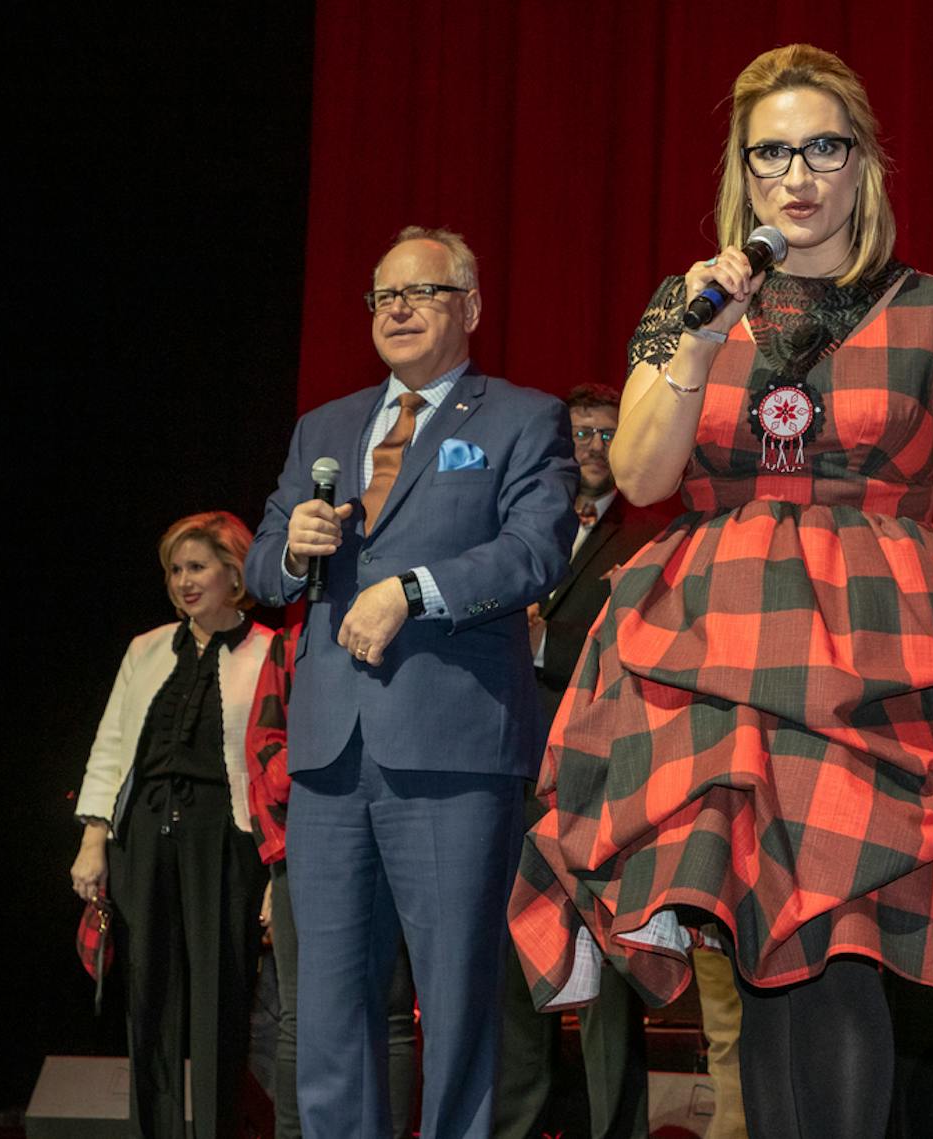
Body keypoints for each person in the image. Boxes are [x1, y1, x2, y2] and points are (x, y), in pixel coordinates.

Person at [510, 44, 933, 1138]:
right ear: (741, 172)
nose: (798, 173)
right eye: (770, 151)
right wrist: (691, 336)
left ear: (863, 162)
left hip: (876, 646)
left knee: (833, 945)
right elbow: (641, 477)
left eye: (822, 147)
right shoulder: (684, 305)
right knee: (770, 960)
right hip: (714, 645)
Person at [244, 226, 578, 1139]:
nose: (395, 309)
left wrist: (413, 590)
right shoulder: (327, 425)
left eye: (420, 292)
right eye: (382, 295)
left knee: (460, 998)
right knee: (327, 1006)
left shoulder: (521, 416)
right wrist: (289, 550)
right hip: (328, 752)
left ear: (468, 308)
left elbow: (536, 549)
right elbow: (264, 568)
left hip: (454, 748)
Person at [70, 511, 274, 1138]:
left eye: (198, 567)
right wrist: (93, 839)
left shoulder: (271, 648)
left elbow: (276, 764)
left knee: (220, 995)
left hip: (226, 834)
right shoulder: (146, 648)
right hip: (147, 828)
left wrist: (276, 867)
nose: (184, 581)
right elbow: (110, 745)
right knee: (149, 997)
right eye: (175, 570)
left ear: (234, 572)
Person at [495, 384, 663, 1139]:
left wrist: (538, 643)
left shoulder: (654, 536)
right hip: (511, 767)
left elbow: (644, 650)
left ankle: (612, 1130)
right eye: (580, 432)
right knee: (511, 967)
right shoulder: (512, 521)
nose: (593, 446)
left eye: (607, 432)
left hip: (604, 779)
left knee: (610, 986)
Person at [244, 624, 419, 1139]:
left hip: (396, 831)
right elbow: (262, 750)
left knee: (390, 1010)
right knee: (304, 1013)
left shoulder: (406, 617)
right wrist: (285, 850)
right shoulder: (293, 638)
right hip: (306, 837)